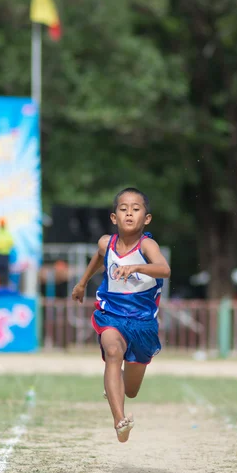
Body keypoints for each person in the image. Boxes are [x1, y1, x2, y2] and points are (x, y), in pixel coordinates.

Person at [72, 188, 171, 443]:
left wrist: (137, 266)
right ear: (114, 217)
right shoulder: (107, 243)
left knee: (132, 390)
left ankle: (114, 386)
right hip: (111, 314)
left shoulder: (147, 245)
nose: (129, 212)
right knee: (113, 351)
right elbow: (99, 257)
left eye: (136, 209)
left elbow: (164, 269)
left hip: (142, 322)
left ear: (146, 219)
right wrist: (82, 282)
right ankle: (120, 420)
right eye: (123, 208)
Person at [0, 218, 14, 286]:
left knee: (5, 272)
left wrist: (1, 246)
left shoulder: (7, 234)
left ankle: (4, 285)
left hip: (5, 255)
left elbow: (11, 243)